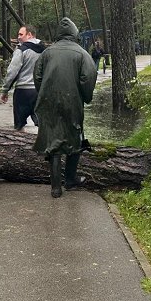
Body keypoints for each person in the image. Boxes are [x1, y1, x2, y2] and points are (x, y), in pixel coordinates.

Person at [33, 17, 97, 198]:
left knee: (53, 141)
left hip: (48, 102)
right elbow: (88, 77)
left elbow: (37, 76)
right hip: (72, 101)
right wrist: (85, 97)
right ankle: (70, 180)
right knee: (74, 137)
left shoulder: (47, 53)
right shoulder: (82, 53)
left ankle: (55, 187)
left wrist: (45, 92)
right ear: (75, 33)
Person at [0, 25, 45, 130]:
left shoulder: (21, 50)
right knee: (42, 126)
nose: (18, 37)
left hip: (22, 92)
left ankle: (19, 145)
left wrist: (5, 90)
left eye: (21, 34)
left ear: (29, 35)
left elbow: (12, 72)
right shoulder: (45, 51)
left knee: (19, 127)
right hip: (39, 91)